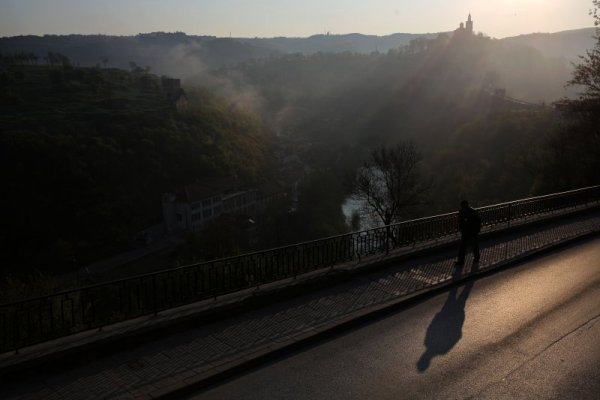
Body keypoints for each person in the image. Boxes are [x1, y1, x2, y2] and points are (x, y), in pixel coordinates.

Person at [455, 200, 481, 266]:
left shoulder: (472, 212)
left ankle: (476, 258)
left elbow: (478, 222)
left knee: (473, 246)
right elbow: (460, 222)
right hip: (466, 232)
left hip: (472, 232)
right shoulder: (469, 212)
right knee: (464, 247)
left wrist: (476, 230)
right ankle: (461, 261)